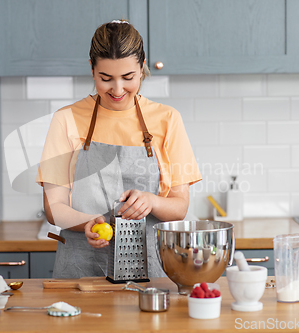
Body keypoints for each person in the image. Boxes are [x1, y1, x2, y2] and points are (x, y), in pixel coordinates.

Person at [37, 19, 201, 278]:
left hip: (150, 274)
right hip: (80, 274)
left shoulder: (168, 119)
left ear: (142, 67)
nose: (117, 89)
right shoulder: (66, 119)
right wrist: (86, 223)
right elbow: (54, 208)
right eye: (106, 78)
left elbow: (179, 206)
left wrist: (151, 201)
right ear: (92, 69)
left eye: (128, 77)